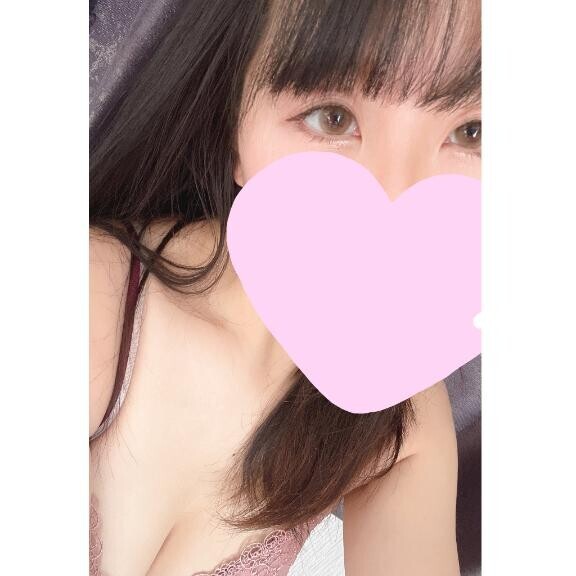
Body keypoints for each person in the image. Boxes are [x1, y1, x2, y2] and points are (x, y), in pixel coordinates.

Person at [89, 0, 480, 574]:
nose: (395, 195)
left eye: (473, 131)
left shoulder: (404, 424)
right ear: (235, 131)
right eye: (332, 118)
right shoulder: (92, 294)